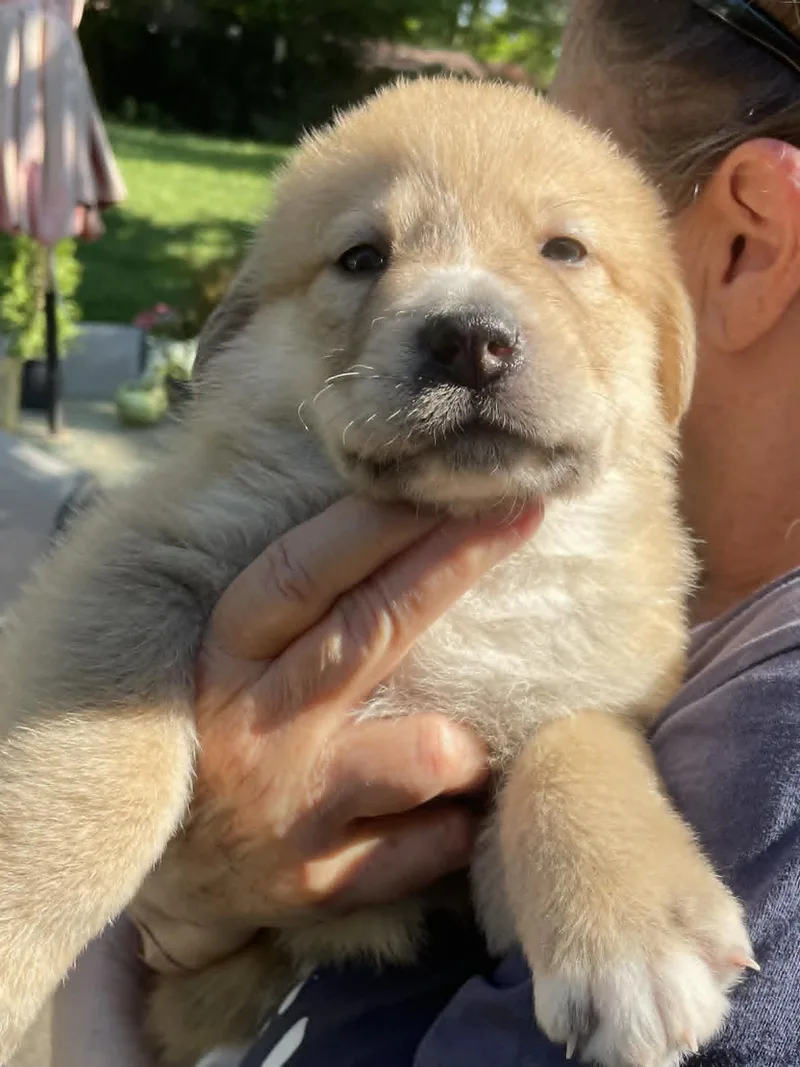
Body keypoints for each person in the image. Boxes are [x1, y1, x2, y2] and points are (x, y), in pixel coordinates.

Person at [43, 0, 800, 1064]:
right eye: (364, 254)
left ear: (740, 246)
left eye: (563, 243)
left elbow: (558, 733)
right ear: (240, 335)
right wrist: (148, 884)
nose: (471, 319)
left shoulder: (770, 756)